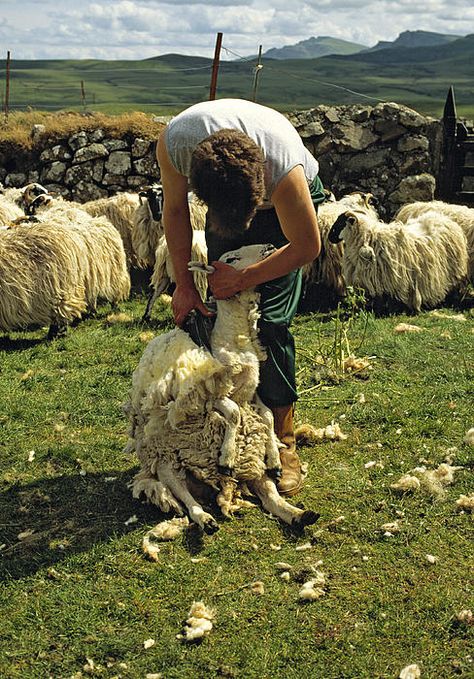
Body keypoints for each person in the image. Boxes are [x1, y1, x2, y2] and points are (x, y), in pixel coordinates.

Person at [156, 98, 325, 496]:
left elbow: (306, 246)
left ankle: (284, 439)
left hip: (280, 210)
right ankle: (238, 423)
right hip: (229, 199)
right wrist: (184, 284)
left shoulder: (282, 168)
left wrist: (246, 276)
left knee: (271, 322)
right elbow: (177, 211)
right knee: (224, 313)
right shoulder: (176, 144)